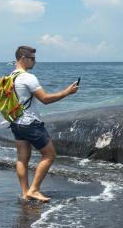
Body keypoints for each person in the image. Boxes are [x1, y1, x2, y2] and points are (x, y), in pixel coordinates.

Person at [8, 45, 79, 202]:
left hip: (16, 122)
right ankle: (34, 189)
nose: (35, 62)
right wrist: (67, 92)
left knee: (22, 158)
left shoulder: (11, 76)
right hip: (31, 123)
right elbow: (45, 99)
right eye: (32, 58)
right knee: (50, 155)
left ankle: (25, 192)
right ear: (23, 59)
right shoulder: (28, 77)